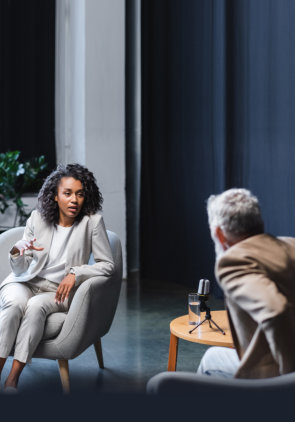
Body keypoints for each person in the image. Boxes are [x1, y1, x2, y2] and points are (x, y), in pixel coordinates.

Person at [0, 163, 114, 391]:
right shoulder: (36, 219)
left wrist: (76, 272)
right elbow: (21, 269)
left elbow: (107, 265)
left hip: (58, 291)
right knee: (13, 307)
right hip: (27, 282)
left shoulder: (92, 222)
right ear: (55, 196)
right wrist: (17, 251)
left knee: (34, 308)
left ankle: (12, 380)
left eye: (80, 194)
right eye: (68, 193)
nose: (74, 200)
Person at [197, 188, 295, 379]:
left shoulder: (232, 262)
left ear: (219, 234)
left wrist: (288, 377)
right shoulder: (290, 244)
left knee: (211, 359)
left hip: (278, 374)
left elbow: (276, 311)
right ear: (260, 223)